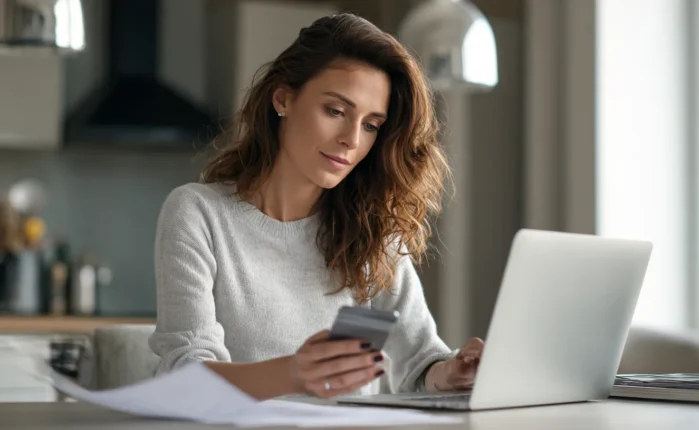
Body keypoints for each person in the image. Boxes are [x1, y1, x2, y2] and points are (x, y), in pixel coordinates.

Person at [149, 12, 484, 400]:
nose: (351, 140)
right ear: (283, 98)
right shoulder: (198, 214)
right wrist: (291, 375)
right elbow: (185, 376)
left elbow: (421, 361)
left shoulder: (374, 230)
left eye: (371, 125)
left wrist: (454, 372)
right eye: (336, 112)